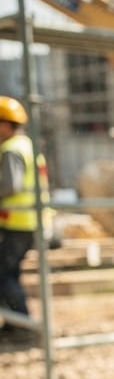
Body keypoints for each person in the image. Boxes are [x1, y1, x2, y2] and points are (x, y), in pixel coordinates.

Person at [0, 95, 49, 335]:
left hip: (17, 222)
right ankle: (14, 323)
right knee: (9, 273)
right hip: (29, 221)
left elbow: (10, 186)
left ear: (6, 125)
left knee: (4, 275)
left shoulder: (11, 149)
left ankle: (23, 324)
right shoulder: (28, 145)